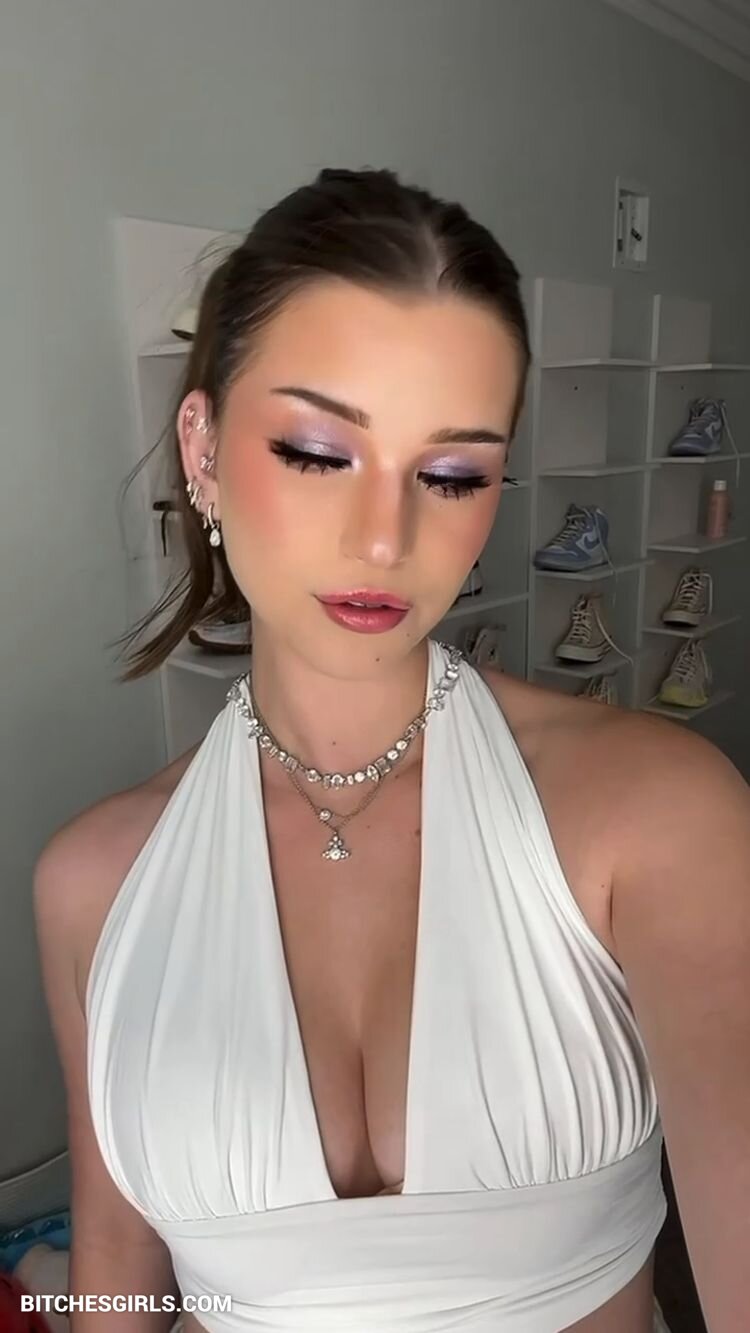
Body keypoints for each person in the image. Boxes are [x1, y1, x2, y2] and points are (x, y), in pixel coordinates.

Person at [33, 167, 749, 1333]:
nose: (386, 536)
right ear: (201, 447)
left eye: (452, 474)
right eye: (319, 453)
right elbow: (117, 1263)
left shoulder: (652, 812)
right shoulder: (92, 881)